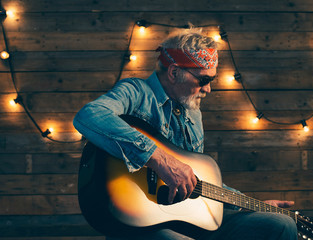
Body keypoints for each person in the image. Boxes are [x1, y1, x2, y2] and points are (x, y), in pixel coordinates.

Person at [73, 27, 298, 240]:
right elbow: (90, 115)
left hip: (186, 216)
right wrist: (160, 159)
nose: (208, 89)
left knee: (281, 224)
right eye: (203, 80)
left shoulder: (193, 113)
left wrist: (248, 203)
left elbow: (195, 180)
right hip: (139, 221)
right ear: (173, 72)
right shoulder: (136, 92)